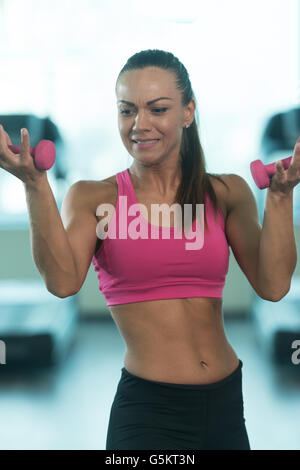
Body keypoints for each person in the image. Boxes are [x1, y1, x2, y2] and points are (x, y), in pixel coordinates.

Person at [0, 49, 298, 451]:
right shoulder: (95, 197)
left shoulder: (226, 192)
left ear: (188, 111)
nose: (139, 124)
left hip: (226, 404)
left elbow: (274, 285)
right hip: (149, 413)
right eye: (127, 111)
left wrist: (280, 197)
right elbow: (62, 281)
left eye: (157, 109)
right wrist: (35, 186)